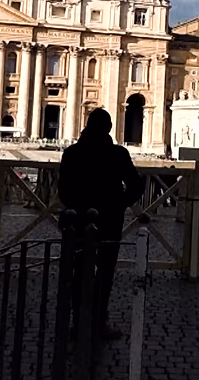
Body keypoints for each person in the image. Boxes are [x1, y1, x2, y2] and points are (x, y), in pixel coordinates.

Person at [58, 108, 144, 340]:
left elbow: (63, 192)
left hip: (78, 221)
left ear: (87, 125)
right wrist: (120, 204)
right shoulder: (118, 154)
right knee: (105, 272)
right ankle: (99, 321)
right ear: (109, 128)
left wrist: (80, 206)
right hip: (109, 222)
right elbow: (137, 186)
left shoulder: (72, 153)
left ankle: (78, 321)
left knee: (77, 272)